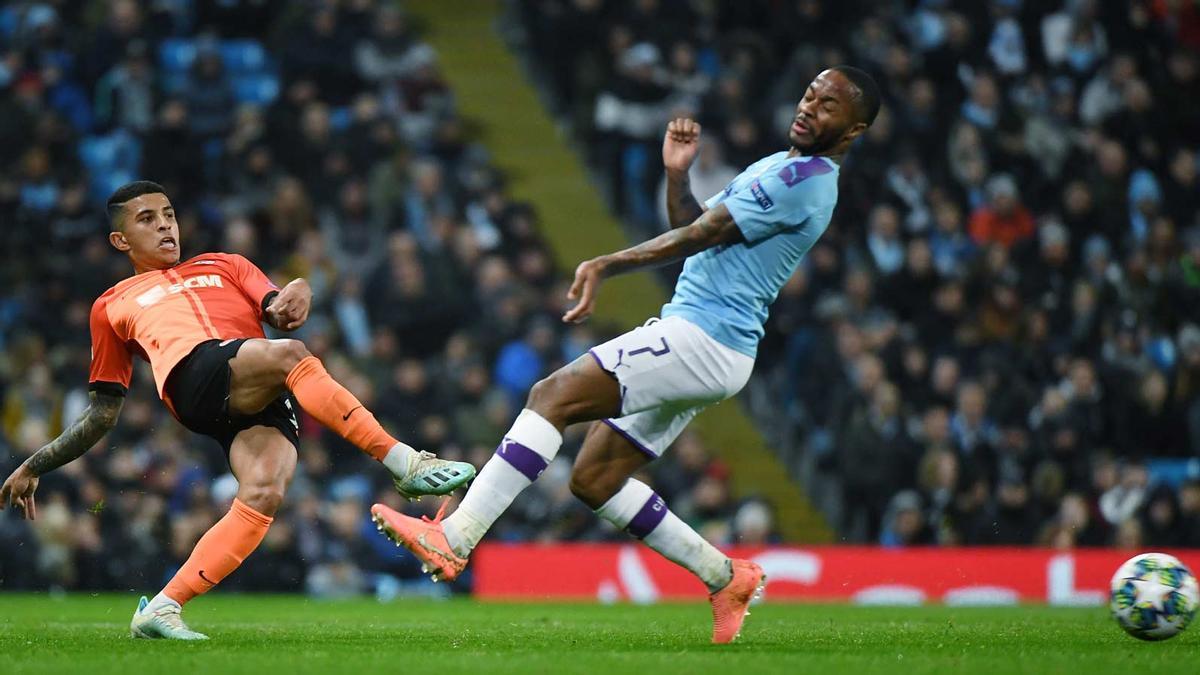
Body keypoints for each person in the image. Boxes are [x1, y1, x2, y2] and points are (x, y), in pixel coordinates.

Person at [370, 66, 880, 643]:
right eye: (810, 93)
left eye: (829, 104)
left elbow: (699, 237)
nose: (811, 106)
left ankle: (456, 537)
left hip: (703, 337)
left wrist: (607, 263)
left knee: (551, 396)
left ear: (854, 128)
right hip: (714, 345)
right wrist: (675, 175)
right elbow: (692, 223)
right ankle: (726, 576)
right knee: (594, 478)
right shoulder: (779, 165)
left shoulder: (806, 181)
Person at [0, 181, 475, 640]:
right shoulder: (110, 305)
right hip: (194, 377)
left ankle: (164, 606)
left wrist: (299, 290)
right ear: (120, 239)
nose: (166, 227)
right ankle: (407, 464)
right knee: (290, 354)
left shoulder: (226, 265)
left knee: (264, 492)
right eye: (148, 219)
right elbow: (103, 413)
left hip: (256, 387)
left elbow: (279, 307)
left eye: (169, 215)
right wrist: (36, 462)